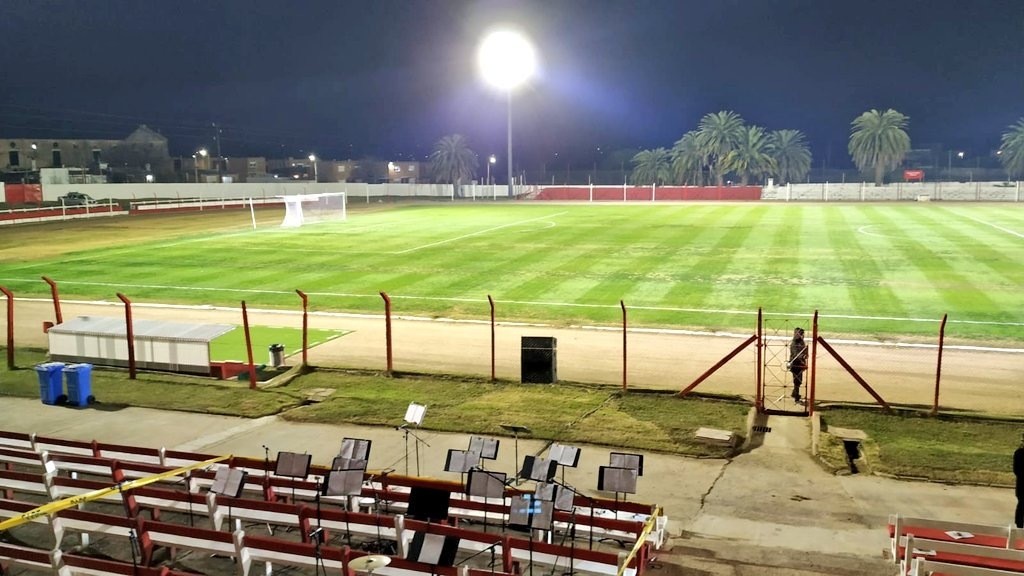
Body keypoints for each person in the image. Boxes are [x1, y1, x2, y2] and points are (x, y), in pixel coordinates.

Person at [788, 327, 808, 403]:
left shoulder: (801, 342)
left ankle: (795, 393)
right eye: (801, 334)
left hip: (800, 363)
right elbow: (796, 354)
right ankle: (796, 396)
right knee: (797, 380)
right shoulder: (794, 343)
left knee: (798, 380)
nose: (803, 336)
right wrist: (803, 356)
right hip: (795, 364)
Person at [1015, 433, 1024, 528]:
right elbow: (1017, 470)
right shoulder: (1019, 453)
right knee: (1022, 505)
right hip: (1022, 485)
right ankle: (1019, 526)